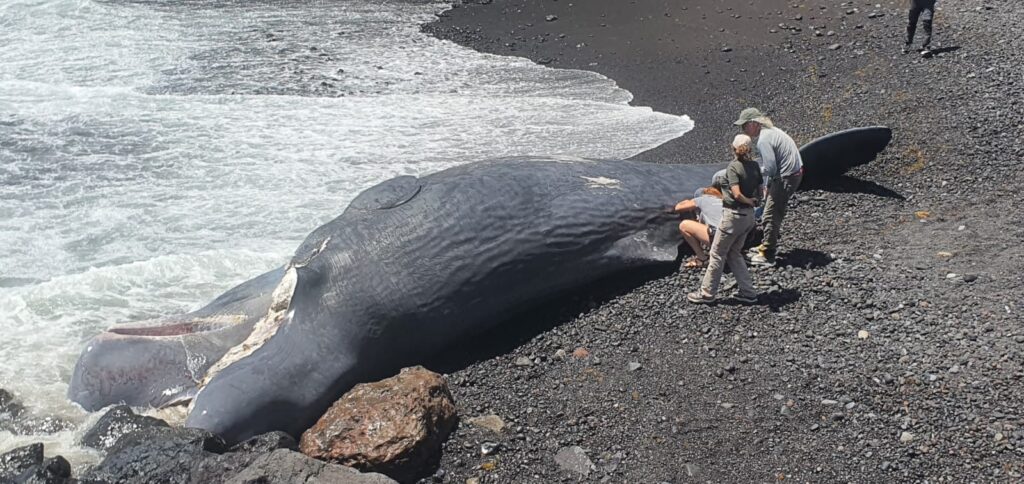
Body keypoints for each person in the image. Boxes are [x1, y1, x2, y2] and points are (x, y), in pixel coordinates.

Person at [688, 134, 762, 305]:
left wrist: (746, 200)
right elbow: (761, 190)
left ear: (733, 148)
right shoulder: (755, 166)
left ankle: (706, 294)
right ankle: (748, 292)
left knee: (717, 253)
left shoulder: (733, 167)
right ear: (750, 148)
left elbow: (736, 194)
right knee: (734, 253)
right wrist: (753, 202)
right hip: (749, 217)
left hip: (733, 216)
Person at [734, 107, 803, 266]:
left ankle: (767, 254)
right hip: (792, 173)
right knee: (772, 211)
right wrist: (768, 184)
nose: (743, 129)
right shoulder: (772, 131)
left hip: (786, 178)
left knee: (770, 215)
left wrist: (752, 172)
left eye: (744, 125)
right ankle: (766, 244)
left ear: (753, 123)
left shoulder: (764, 140)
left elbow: (770, 168)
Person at [672, 187, 723, 269]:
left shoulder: (702, 199)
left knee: (684, 225)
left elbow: (678, 208)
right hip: (737, 242)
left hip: (722, 241)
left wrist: (687, 201)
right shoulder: (724, 201)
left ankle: (702, 259)